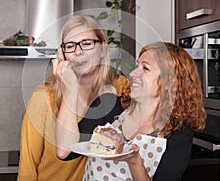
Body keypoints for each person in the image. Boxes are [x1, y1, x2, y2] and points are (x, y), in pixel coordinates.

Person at [17, 15, 130, 181]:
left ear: (102, 49)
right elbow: (28, 165)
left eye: (87, 43)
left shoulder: (119, 87)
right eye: (70, 46)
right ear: (63, 54)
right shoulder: (44, 97)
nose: (78, 51)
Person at [83, 42, 207, 181]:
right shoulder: (109, 106)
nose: (133, 73)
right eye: (137, 66)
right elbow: (65, 153)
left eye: (145, 68)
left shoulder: (178, 134)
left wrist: (134, 162)